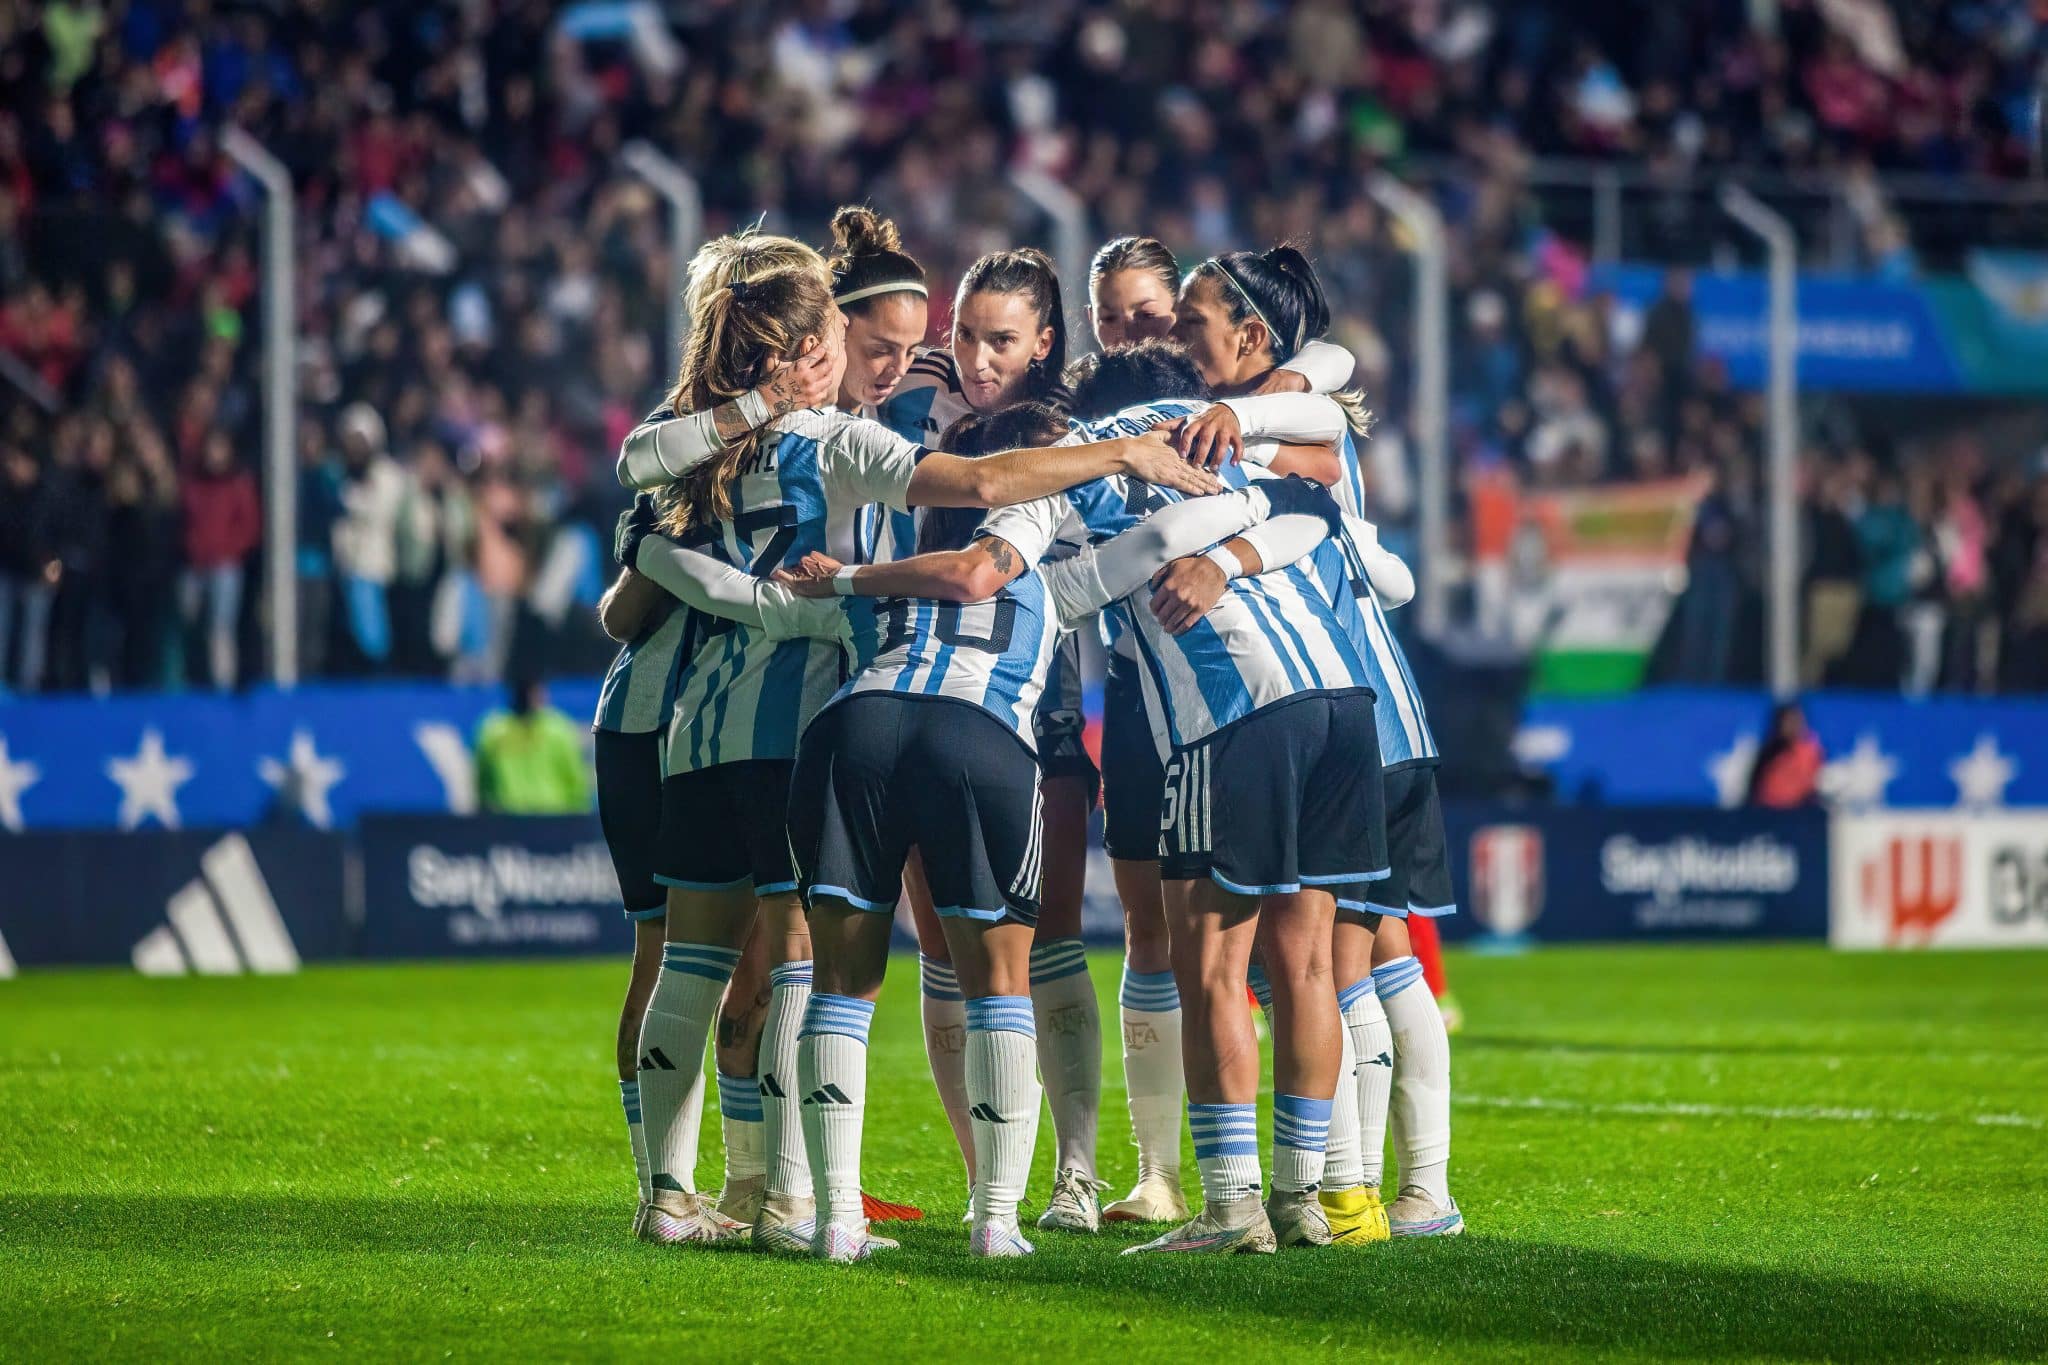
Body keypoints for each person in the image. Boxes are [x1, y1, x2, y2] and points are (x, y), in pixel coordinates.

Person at [621, 401, 1341, 1260]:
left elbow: (743, 599)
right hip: (980, 743)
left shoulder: (862, 574)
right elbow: (1156, 544)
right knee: (999, 986)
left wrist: (652, 551)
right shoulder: (1052, 578)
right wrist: (1258, 502)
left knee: (838, 986)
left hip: (858, 734)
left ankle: (834, 1219)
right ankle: (996, 1221)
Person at [964, 384, 1385, 1256]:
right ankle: (1302, 1198)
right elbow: (1317, 484)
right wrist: (1228, 545)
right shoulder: (1193, 424)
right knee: (1305, 964)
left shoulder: (1058, 481)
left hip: (1231, 715)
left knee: (1212, 970)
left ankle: (1232, 1207)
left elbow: (1006, 570)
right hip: (1344, 703)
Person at [177, 429, 260, 691]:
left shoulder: (238, 484)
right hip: (195, 566)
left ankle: (222, 683)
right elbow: (184, 523)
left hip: (225, 566)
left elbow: (249, 526)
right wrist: (192, 548)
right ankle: (191, 678)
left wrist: (227, 550)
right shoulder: (193, 485)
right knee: (187, 621)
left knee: (220, 627)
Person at [473, 676, 592, 814]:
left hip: (554, 818)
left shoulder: (557, 728)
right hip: (511, 818)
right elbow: (484, 782)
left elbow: (575, 780)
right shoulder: (493, 730)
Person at [1746, 701, 1824, 808]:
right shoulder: (1768, 752)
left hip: (1801, 813)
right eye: (1788, 721)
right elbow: (1755, 790)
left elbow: (1812, 786)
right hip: (1770, 813)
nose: (1793, 726)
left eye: (1797, 721)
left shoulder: (1811, 752)